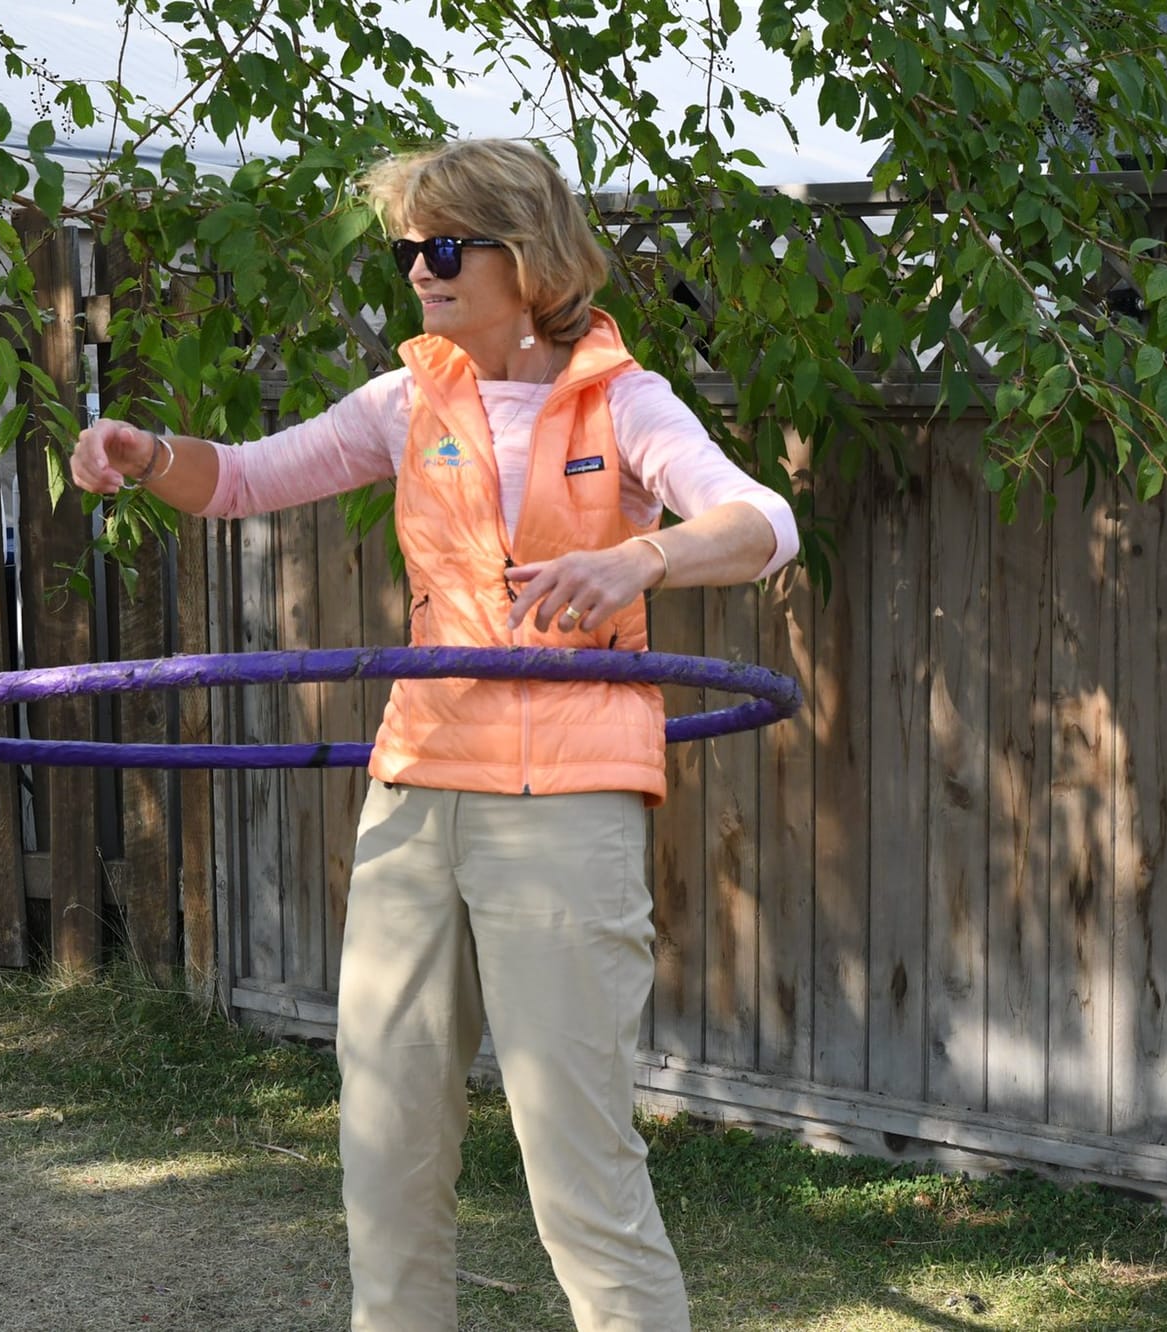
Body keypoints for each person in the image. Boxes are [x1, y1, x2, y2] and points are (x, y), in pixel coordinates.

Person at [70, 137, 798, 1332]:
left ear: (529, 256)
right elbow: (246, 477)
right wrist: (148, 457)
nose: (417, 269)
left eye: (444, 246)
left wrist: (640, 553)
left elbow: (763, 522)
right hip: (415, 789)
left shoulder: (625, 402)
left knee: (577, 1161)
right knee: (386, 1135)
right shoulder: (411, 396)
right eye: (407, 247)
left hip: (568, 804)